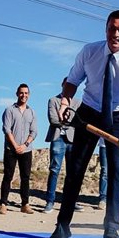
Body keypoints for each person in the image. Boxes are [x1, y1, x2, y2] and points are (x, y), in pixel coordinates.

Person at [49, 9, 119, 238]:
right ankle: (62, 226)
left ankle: (111, 229)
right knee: (75, 169)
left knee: (115, 172)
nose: (115, 34)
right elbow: (72, 80)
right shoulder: (89, 51)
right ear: (106, 28)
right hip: (89, 111)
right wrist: (64, 102)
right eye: (112, 28)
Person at [0, 84, 38, 215]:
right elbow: (6, 129)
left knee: (25, 177)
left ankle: (25, 204)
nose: (24, 95)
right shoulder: (9, 110)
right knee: (8, 176)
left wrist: (25, 145)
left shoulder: (31, 112)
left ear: (29, 95)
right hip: (11, 149)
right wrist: (15, 145)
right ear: (17, 94)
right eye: (21, 93)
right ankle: (3, 204)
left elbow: (34, 132)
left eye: (26, 93)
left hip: (26, 150)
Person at [43, 78, 80, 214]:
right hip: (57, 138)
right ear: (62, 85)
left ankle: (71, 201)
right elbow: (53, 119)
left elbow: (78, 121)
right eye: (66, 85)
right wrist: (68, 121)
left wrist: (64, 120)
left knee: (73, 172)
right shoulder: (53, 101)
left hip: (72, 140)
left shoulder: (78, 102)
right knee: (54, 170)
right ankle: (50, 201)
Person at [97, 138, 107, 210]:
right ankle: (103, 199)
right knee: (105, 171)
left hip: (118, 145)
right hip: (104, 145)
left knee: (116, 172)